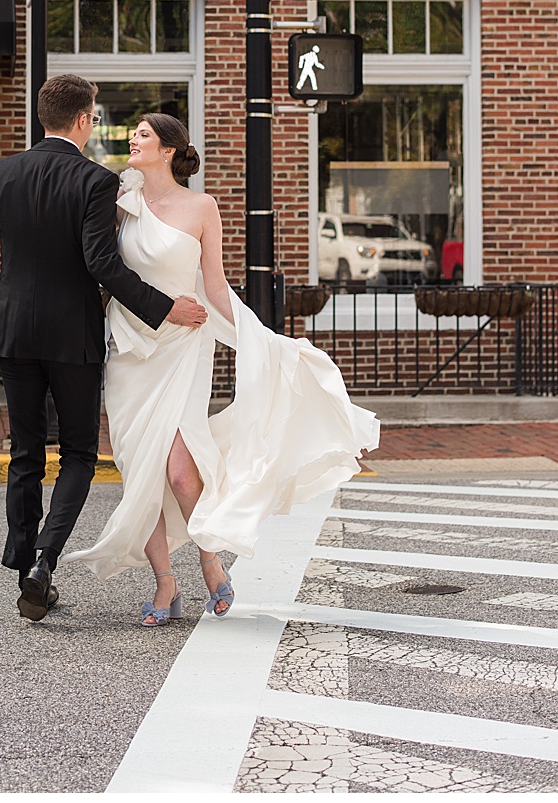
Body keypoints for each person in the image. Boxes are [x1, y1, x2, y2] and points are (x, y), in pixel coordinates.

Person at [62, 114, 379, 625]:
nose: (131, 140)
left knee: (183, 474)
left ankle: (210, 559)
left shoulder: (203, 207)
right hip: (130, 352)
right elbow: (106, 268)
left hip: (183, 347)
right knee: (142, 472)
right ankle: (166, 585)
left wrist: (261, 340)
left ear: (168, 150)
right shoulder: (119, 200)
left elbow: (215, 287)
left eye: (142, 134)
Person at [0, 74, 209, 621]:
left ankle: (26, 567)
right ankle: (47, 561)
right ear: (82, 120)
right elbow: (102, 263)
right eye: (93, 116)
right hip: (72, 336)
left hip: (15, 330)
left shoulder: (1, 173)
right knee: (77, 453)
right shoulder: (95, 181)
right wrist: (165, 309)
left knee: (25, 451)